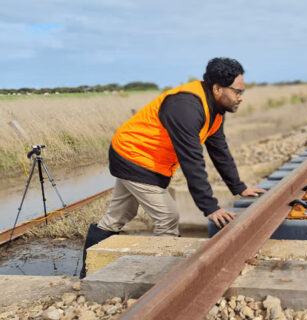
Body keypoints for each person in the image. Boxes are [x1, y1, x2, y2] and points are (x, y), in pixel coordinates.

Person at [79, 57, 266, 278]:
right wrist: (210, 207)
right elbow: (192, 160)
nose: (240, 97)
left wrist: (239, 187)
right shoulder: (186, 107)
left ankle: (88, 272)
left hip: (141, 156)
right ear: (217, 88)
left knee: (118, 216)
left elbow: (219, 150)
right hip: (135, 156)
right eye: (237, 91)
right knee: (168, 216)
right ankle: (163, 278)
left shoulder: (214, 109)